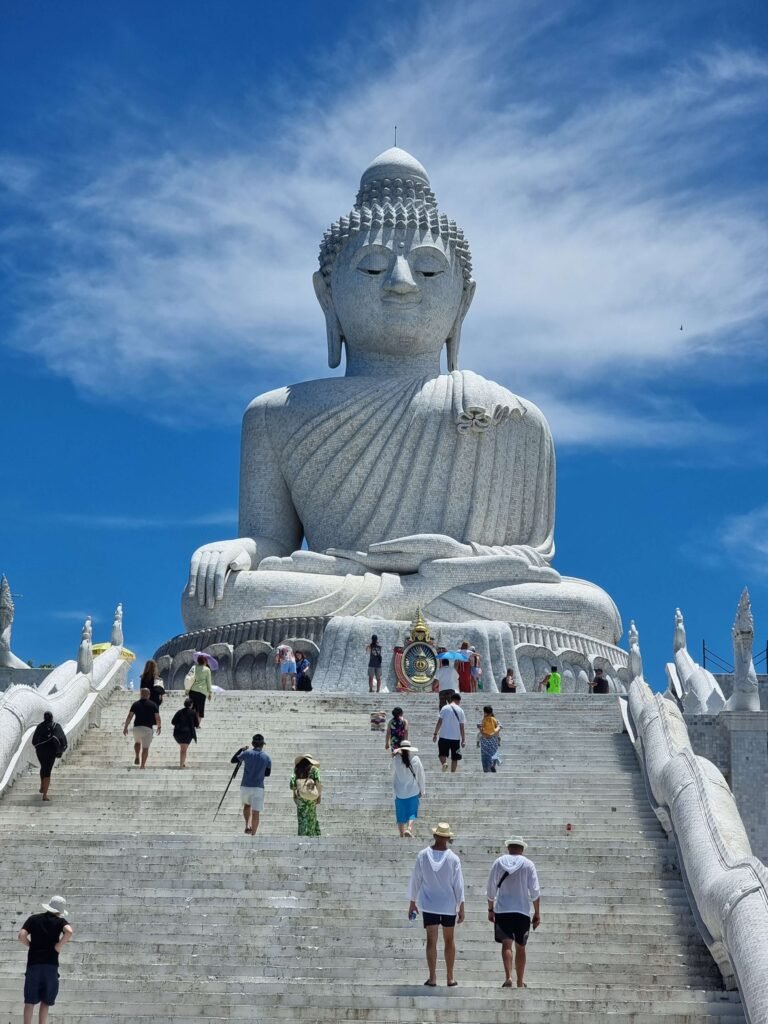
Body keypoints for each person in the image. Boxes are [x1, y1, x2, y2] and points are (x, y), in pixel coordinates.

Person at [407, 822, 465, 987]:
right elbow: (458, 884)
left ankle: (432, 977)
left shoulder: (423, 855)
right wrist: (461, 907)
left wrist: (412, 902)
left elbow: (416, 880)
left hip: (429, 904)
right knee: (449, 941)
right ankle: (450, 977)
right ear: (448, 838)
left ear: (435, 836)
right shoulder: (453, 858)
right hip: (448, 905)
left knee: (431, 941)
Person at [486, 836, 541, 988]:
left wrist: (491, 908)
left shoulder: (498, 862)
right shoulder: (528, 864)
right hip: (522, 911)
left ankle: (508, 976)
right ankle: (520, 981)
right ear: (522, 849)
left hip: (503, 910)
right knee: (521, 946)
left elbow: (491, 888)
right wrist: (537, 912)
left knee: (506, 945)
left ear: (509, 847)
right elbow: (535, 891)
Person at [18, 894, 73, 1024]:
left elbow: (21, 935)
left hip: (34, 964)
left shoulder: (33, 919)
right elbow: (69, 931)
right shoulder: (60, 921)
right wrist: (58, 945)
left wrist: (30, 945)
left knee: (29, 1001)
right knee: (46, 1001)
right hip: (51, 965)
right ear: (59, 911)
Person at [231, 734, 272, 835]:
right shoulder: (267, 757)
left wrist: (241, 749)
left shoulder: (247, 754)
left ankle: (247, 825)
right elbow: (267, 774)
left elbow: (233, 760)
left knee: (247, 805)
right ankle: (253, 834)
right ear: (262, 745)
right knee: (256, 811)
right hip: (258, 787)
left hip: (245, 785)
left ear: (253, 744)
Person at [391, 740, 426, 837]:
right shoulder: (415, 759)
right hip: (413, 791)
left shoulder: (396, 759)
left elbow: (392, 774)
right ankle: (409, 828)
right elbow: (421, 775)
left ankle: (401, 835)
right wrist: (422, 789)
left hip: (399, 792)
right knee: (412, 812)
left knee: (400, 814)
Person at [31, 712, 67, 802]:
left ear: (44, 718)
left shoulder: (40, 726)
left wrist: (40, 745)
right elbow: (62, 738)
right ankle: (45, 795)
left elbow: (34, 740)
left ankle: (42, 786)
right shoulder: (56, 726)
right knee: (47, 770)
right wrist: (61, 749)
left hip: (40, 751)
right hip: (51, 751)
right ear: (52, 717)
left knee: (43, 767)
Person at [122, 687, 160, 768]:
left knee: (137, 742)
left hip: (137, 728)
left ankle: (137, 756)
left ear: (141, 694)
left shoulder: (135, 704)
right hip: (148, 728)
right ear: (149, 695)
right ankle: (142, 765)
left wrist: (125, 727)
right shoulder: (153, 705)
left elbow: (130, 716)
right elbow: (157, 717)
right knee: (145, 748)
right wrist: (159, 727)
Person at [433, 692, 466, 773]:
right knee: (455, 757)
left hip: (444, 736)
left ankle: (444, 763)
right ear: (458, 700)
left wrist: (435, 733)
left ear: (451, 699)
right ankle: (453, 773)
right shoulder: (461, 710)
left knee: (442, 754)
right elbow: (462, 726)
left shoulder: (444, 708)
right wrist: (463, 739)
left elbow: (439, 722)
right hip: (455, 738)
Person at [290, 755, 322, 836]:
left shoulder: (297, 769)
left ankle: (302, 835)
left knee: (302, 818)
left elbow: (292, 784)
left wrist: (294, 795)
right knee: (311, 817)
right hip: (312, 797)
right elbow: (318, 783)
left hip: (301, 797)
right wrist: (319, 796)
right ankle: (311, 836)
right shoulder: (315, 770)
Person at [171, 698, 199, 769]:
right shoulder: (193, 712)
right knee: (183, 750)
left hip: (178, 733)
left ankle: (182, 763)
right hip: (187, 733)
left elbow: (173, 722)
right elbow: (196, 724)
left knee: (183, 749)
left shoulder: (179, 712)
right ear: (191, 704)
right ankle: (181, 765)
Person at [188, 655, 213, 721]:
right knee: (200, 709)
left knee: (193, 707)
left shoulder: (193, 667)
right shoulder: (207, 670)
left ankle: (191, 722)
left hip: (192, 690)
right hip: (202, 692)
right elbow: (208, 682)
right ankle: (197, 724)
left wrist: (187, 688)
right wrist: (210, 693)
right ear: (205, 661)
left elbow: (188, 678)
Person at [478, 705, 501, 773]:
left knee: (485, 755)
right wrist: (493, 734)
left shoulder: (483, 720)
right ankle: (493, 766)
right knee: (494, 753)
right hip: (493, 739)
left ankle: (486, 769)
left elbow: (481, 729)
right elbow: (499, 727)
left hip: (485, 739)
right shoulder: (495, 719)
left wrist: (485, 735)